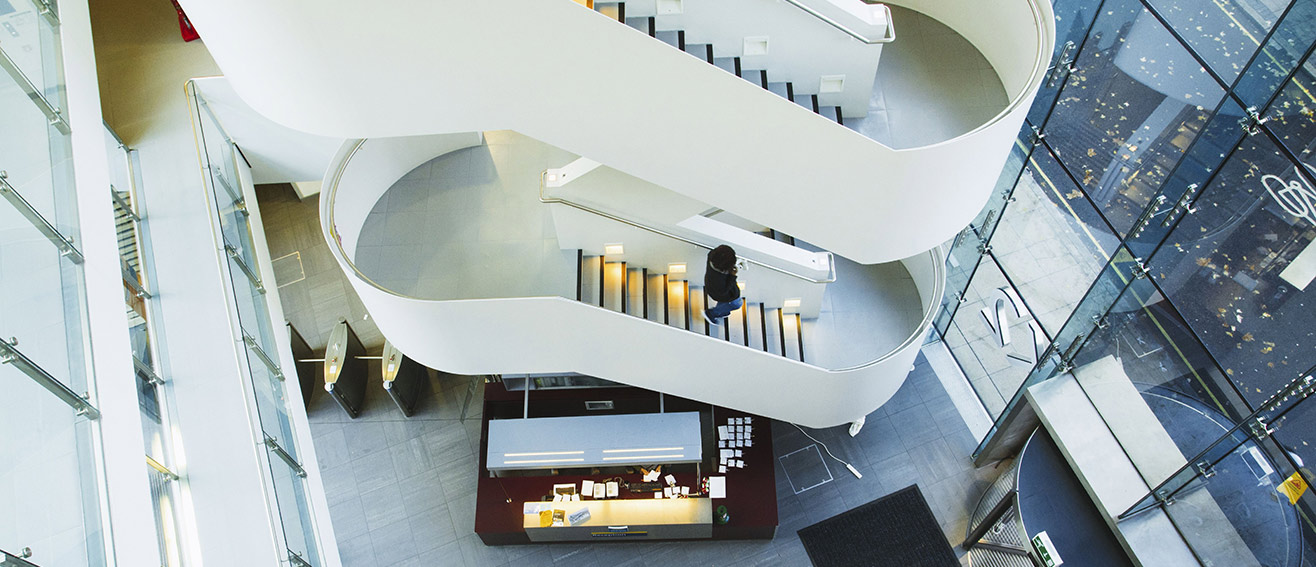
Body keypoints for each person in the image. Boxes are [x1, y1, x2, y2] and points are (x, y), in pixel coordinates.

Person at [703, 245, 743, 325]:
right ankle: (712, 313)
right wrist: (732, 276)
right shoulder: (718, 278)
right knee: (737, 304)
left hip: (711, 286)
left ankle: (722, 310)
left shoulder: (712, 257)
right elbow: (723, 291)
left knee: (725, 303)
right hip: (721, 293)